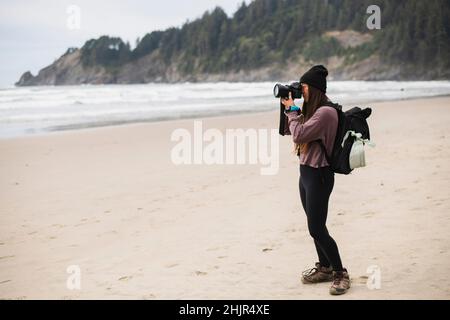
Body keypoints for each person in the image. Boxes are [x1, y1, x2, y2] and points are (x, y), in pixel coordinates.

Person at [281, 65, 351, 295]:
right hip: (306, 173)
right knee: (314, 225)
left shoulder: (325, 113)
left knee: (316, 227)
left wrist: (291, 110)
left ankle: (340, 273)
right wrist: (292, 110)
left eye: (303, 87)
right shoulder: (314, 110)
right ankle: (325, 267)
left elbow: (299, 134)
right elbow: (294, 130)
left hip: (319, 174)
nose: (301, 90)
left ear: (314, 88)